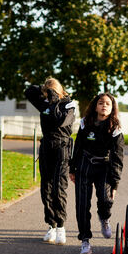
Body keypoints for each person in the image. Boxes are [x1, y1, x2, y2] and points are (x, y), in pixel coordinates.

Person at [69, 93, 124, 254]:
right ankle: (85, 241)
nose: (104, 106)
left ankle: (104, 217)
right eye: (101, 103)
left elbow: (118, 157)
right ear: (95, 106)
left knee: (106, 199)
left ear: (112, 107)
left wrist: (115, 183)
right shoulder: (86, 122)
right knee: (82, 205)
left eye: (108, 103)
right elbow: (78, 145)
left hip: (105, 167)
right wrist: (72, 168)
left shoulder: (115, 127)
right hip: (85, 165)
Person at [25, 78, 76, 245]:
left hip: (62, 148)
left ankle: (61, 227)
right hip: (46, 147)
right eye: (47, 92)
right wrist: (43, 88)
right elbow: (28, 91)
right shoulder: (44, 104)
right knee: (45, 189)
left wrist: (55, 99)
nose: (48, 95)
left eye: (51, 91)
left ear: (59, 91)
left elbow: (60, 121)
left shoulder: (68, 105)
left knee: (58, 189)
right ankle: (51, 225)